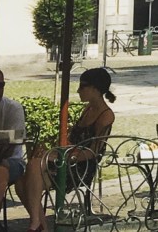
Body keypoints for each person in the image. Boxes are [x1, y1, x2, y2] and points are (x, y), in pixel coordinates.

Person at [16, 67, 115, 232]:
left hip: (80, 167)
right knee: (21, 181)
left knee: (33, 167)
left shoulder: (105, 115)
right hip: (66, 160)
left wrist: (58, 156)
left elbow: (93, 152)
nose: (78, 90)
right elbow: (71, 140)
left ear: (95, 89)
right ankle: (39, 225)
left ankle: (37, 225)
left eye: (83, 86)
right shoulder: (88, 109)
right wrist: (51, 150)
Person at [0, 67, 26, 223]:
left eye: (0, 85)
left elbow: (11, 146)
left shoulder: (13, 108)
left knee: (1, 170)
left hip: (12, 162)